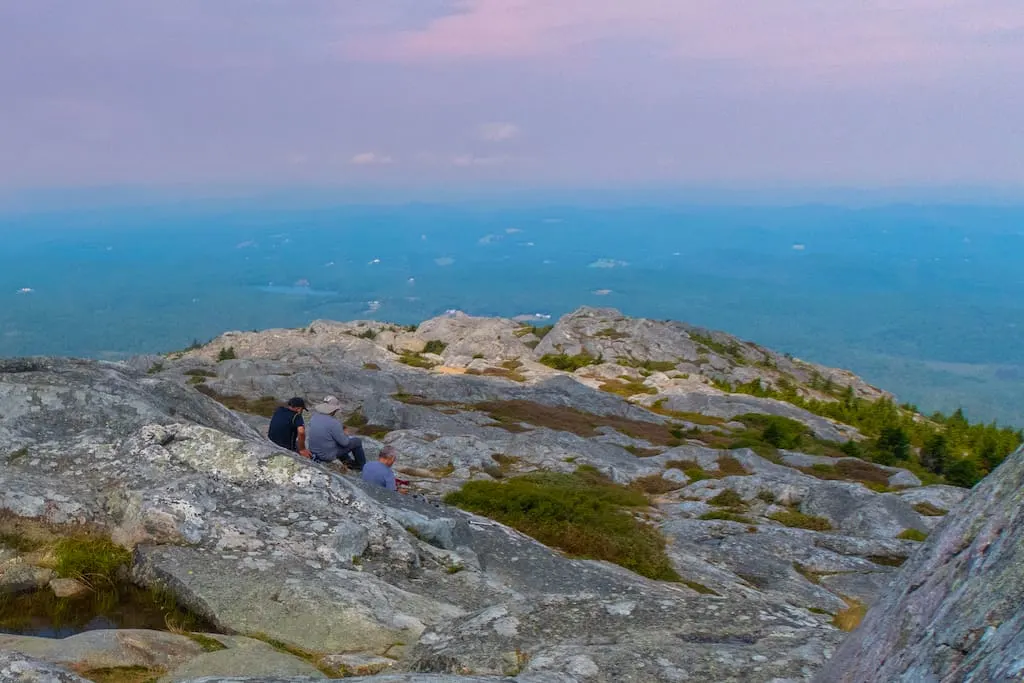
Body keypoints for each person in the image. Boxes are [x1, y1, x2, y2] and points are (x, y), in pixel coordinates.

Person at [307, 395, 366, 471]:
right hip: (327, 456)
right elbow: (345, 443)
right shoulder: (334, 423)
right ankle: (360, 466)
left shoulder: (314, 417)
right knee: (357, 441)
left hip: (313, 452)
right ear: (334, 410)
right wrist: (346, 434)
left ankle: (347, 461)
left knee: (335, 441)